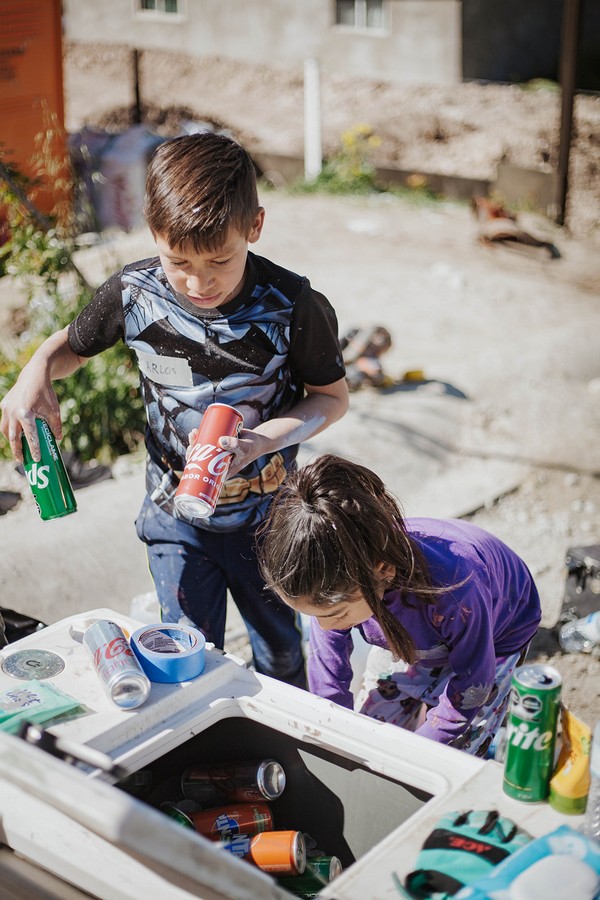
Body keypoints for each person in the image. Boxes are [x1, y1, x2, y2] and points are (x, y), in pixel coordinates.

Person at [0, 132, 349, 688]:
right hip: (173, 518)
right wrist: (36, 369)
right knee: (187, 656)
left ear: (255, 227)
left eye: (220, 260)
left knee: (282, 655)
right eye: (177, 260)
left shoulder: (292, 305)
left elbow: (331, 398)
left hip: (269, 520)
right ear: (152, 231)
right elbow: (73, 346)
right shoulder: (135, 293)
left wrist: (264, 441)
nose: (197, 282)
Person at [257, 454, 541, 755]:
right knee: (371, 733)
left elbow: (473, 681)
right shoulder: (334, 588)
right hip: (415, 628)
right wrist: (334, 729)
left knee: (454, 752)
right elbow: (329, 686)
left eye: (336, 615)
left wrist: (422, 750)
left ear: (384, 570)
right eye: (315, 616)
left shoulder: (457, 591)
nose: (326, 627)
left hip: (496, 634)